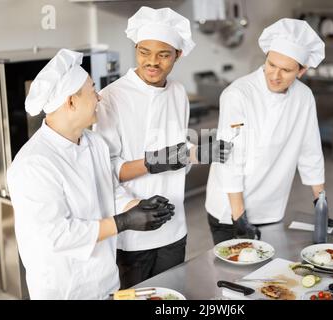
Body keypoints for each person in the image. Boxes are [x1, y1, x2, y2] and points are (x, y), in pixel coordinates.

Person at [7, 49, 175, 299]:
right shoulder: (33, 165)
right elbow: (56, 236)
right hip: (65, 289)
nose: (99, 98)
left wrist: (140, 206)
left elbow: (109, 191)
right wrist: (124, 221)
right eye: (93, 90)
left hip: (105, 280)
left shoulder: (94, 142)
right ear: (71, 101)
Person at [94, 6, 232, 288]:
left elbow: (178, 152)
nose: (152, 62)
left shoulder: (178, 93)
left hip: (174, 226)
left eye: (163, 54)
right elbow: (106, 170)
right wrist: (160, 160)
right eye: (144, 52)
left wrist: (195, 153)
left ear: (178, 55)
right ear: (135, 48)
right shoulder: (111, 98)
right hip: (132, 230)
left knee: (170, 295)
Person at [205, 18, 327, 245]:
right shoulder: (238, 94)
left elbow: (309, 149)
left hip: (270, 206)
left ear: (302, 70)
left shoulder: (304, 97)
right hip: (229, 208)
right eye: (271, 65)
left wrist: (320, 203)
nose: (275, 75)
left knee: (267, 276)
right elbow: (229, 158)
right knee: (232, 276)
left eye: (286, 70)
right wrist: (238, 217)